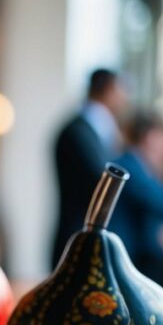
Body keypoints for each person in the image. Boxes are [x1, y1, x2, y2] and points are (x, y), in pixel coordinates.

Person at [52, 68, 130, 266]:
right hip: (77, 241)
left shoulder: (96, 130)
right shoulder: (78, 132)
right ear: (109, 90)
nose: (125, 98)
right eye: (121, 90)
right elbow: (97, 181)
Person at [109, 113, 163, 287]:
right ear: (151, 137)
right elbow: (162, 202)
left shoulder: (137, 164)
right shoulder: (127, 164)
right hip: (124, 258)